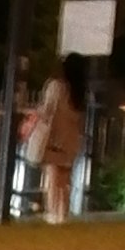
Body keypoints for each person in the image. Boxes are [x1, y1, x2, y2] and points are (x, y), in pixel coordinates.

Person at [27, 57, 90, 225]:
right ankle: (63, 213)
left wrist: (31, 122)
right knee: (64, 180)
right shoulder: (79, 91)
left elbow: (48, 109)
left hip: (54, 138)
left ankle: (53, 213)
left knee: (52, 178)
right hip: (70, 139)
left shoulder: (56, 86)